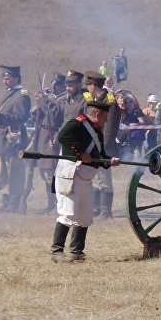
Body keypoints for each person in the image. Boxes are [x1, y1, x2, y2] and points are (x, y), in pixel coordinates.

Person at [51, 101, 121, 261]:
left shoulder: (98, 133)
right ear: (98, 115)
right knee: (67, 213)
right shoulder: (76, 124)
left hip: (85, 177)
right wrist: (81, 152)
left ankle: (77, 252)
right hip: (70, 175)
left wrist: (110, 160)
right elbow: (63, 136)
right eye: (105, 118)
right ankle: (57, 252)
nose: (105, 121)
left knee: (85, 215)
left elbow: (100, 155)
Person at [82, 71, 120, 218]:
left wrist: (102, 147)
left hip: (103, 146)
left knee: (104, 179)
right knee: (96, 178)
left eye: (88, 85)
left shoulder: (109, 100)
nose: (87, 88)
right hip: (93, 145)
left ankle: (106, 211)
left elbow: (110, 128)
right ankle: (96, 208)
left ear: (93, 85)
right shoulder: (95, 98)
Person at [28, 72, 67, 213]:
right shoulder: (53, 99)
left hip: (52, 137)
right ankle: (51, 203)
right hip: (42, 137)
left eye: (56, 84)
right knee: (44, 174)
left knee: (51, 173)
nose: (54, 87)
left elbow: (56, 116)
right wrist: (35, 111)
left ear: (63, 85)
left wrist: (45, 100)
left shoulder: (62, 99)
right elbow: (40, 117)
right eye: (53, 84)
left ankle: (58, 203)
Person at [0, 65, 31, 213]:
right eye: (4, 77)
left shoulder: (21, 95)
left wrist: (1, 117)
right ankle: (6, 201)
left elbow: (22, 117)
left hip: (13, 139)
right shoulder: (8, 93)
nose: (5, 80)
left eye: (8, 77)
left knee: (14, 171)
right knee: (3, 172)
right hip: (2, 139)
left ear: (17, 78)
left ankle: (14, 204)